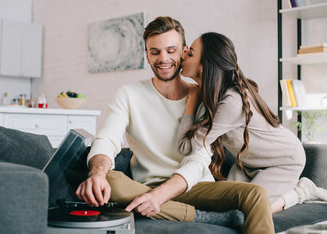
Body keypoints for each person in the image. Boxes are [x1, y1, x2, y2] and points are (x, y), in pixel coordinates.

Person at [75, 17, 275, 233]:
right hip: (146, 185)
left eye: (171, 50)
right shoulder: (128, 94)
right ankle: (207, 218)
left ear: (184, 51)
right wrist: (97, 174)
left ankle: (170, 208)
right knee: (110, 180)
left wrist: (158, 197)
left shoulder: (202, 95)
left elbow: (199, 159)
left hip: (197, 186)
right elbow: (107, 139)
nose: (163, 59)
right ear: (147, 56)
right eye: (155, 52)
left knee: (256, 194)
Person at [177, 32, 327, 214]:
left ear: (205, 66)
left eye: (190, 53)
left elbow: (185, 146)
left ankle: (302, 190)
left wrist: (192, 101)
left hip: (284, 161)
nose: (182, 55)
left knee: (247, 211)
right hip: (248, 163)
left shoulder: (231, 102)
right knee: (224, 205)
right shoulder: (215, 95)